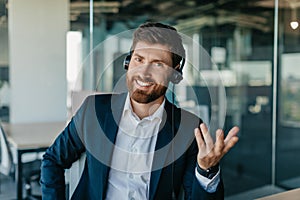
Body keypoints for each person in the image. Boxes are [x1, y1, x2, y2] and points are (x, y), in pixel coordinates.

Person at [40, 22, 239, 200]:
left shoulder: (188, 128)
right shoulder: (94, 111)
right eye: (139, 59)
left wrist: (206, 170)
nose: (144, 72)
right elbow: (52, 160)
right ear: (128, 63)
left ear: (175, 73)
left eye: (158, 64)